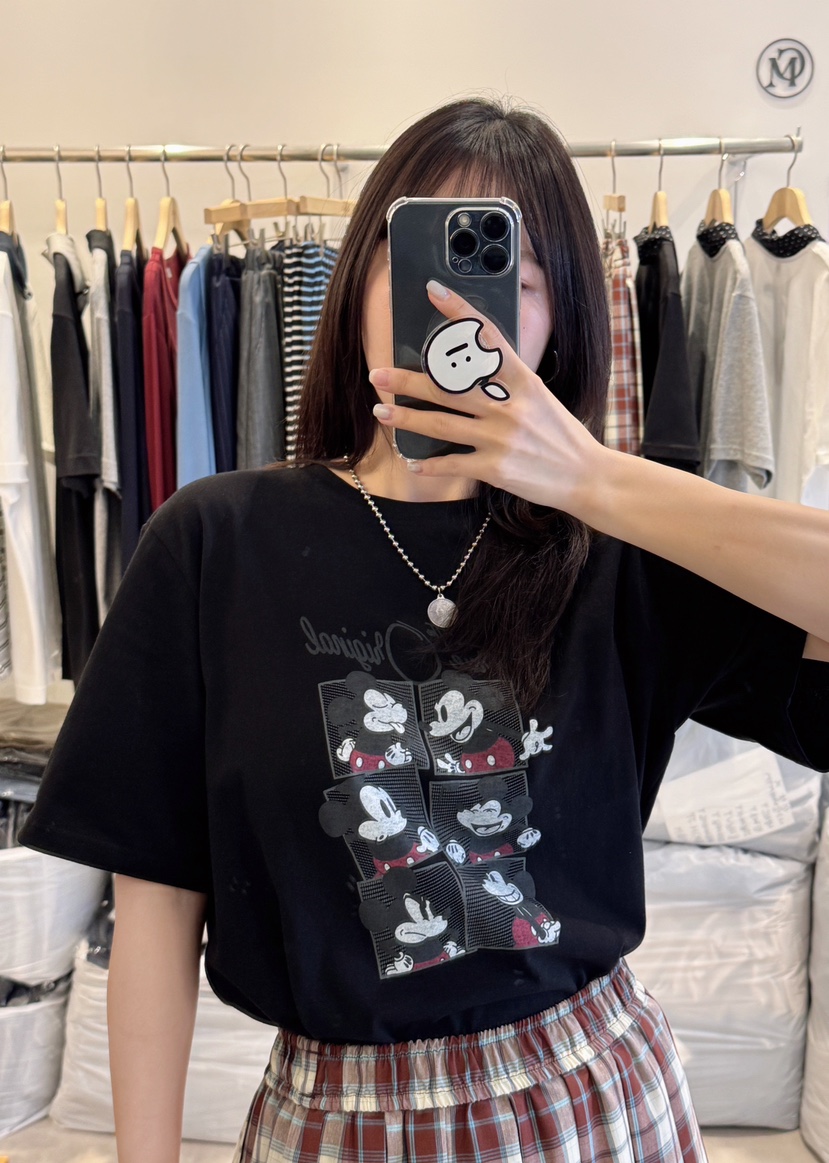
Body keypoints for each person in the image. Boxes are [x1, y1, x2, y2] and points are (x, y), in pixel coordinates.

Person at [20, 98, 829, 1163]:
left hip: (590, 1100)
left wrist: (594, 477)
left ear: (559, 320)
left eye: (510, 278)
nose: (456, 308)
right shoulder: (214, 543)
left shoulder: (617, 549)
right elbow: (157, 904)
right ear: (359, 286)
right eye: (417, 261)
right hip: (330, 1115)